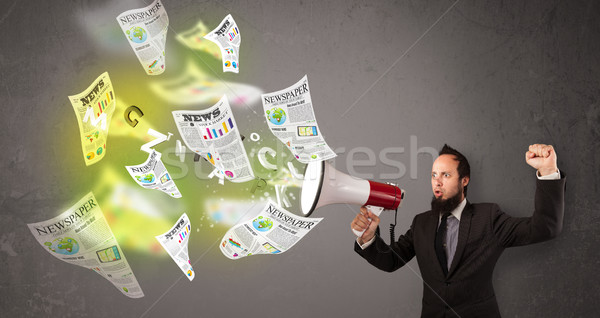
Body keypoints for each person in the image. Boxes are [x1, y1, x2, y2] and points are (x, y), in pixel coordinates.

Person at [351, 144, 565, 318]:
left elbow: (544, 228)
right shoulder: (421, 223)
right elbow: (390, 261)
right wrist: (368, 238)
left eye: (446, 175)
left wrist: (547, 173)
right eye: (434, 175)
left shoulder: (488, 217)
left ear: (464, 180)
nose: (437, 181)